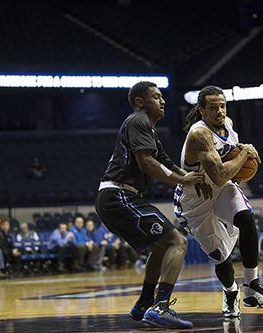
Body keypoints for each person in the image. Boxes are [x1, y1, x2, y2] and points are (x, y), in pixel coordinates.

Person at [95, 81, 205, 329]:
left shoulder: (150, 131)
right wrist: (181, 179)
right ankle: (160, 306)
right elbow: (146, 162)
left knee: (161, 245)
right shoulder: (137, 120)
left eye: (162, 97)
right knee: (178, 242)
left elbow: (165, 161)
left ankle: (145, 303)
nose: (163, 101)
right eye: (156, 97)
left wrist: (193, 181)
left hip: (119, 197)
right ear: (140, 103)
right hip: (118, 194)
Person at [174, 85, 263, 319]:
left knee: (247, 218)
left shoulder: (227, 123)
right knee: (221, 256)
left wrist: (241, 150)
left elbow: (225, 167)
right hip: (195, 200)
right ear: (202, 111)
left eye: (222, 106)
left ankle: (251, 286)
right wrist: (245, 153)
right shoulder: (199, 134)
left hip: (220, 190)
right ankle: (231, 292)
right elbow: (220, 172)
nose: (219, 111)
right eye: (213, 107)